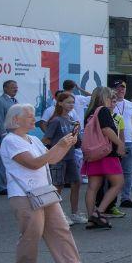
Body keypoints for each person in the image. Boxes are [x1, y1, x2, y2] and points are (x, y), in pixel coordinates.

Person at [0, 104, 95, 263]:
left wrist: (65, 145)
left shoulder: (33, 139)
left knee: (60, 227)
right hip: (23, 193)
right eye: (29, 116)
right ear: (16, 120)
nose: (33, 119)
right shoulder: (10, 141)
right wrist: (60, 145)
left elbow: (51, 159)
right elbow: (34, 163)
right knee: (32, 231)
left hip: (43, 190)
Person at [81, 86, 125, 229]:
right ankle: (98, 213)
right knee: (118, 183)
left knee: (92, 187)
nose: (111, 99)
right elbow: (106, 129)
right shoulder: (103, 110)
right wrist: (120, 143)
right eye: (109, 97)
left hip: (93, 154)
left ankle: (90, 218)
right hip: (107, 153)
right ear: (104, 97)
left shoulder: (89, 113)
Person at [42, 92, 85, 224]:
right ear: (60, 103)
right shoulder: (56, 120)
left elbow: (76, 142)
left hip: (70, 156)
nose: (71, 105)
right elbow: (46, 139)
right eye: (68, 102)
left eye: (73, 102)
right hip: (58, 158)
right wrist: (55, 149)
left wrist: (77, 136)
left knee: (76, 182)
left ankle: (74, 213)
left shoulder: (71, 120)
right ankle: (57, 216)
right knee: (58, 185)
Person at [109, 81, 132, 211]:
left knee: (128, 172)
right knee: (112, 172)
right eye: (118, 88)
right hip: (112, 141)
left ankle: (125, 198)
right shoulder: (109, 103)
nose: (121, 90)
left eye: (123, 88)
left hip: (129, 142)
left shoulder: (130, 104)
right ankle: (110, 200)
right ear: (113, 89)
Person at [0, 79, 19, 195]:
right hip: (5, 136)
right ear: (5, 88)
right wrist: (3, 134)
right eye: (13, 87)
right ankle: (1, 186)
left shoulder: (15, 101)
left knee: (14, 160)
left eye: (16, 87)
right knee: (3, 160)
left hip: (15, 135)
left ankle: (11, 184)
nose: (16, 89)